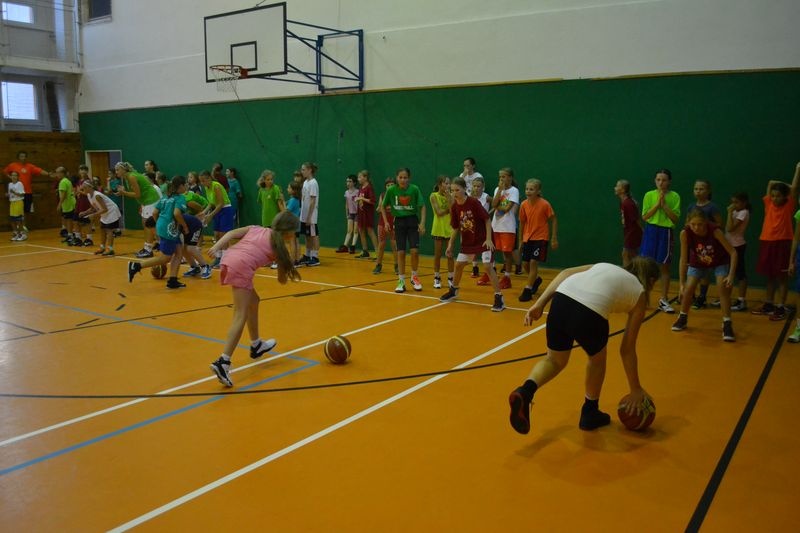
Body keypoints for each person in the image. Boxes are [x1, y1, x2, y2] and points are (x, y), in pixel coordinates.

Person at [508, 256, 660, 435]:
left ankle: (525, 391)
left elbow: (565, 273)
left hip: (561, 300)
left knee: (554, 360)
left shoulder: (604, 265)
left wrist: (540, 303)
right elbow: (627, 349)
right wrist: (635, 389)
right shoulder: (640, 293)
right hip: (589, 310)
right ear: (651, 280)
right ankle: (590, 412)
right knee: (597, 362)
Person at [208, 210, 302, 387]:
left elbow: (231, 233)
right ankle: (223, 362)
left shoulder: (257, 228)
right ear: (290, 234)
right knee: (240, 314)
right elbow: (282, 280)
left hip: (229, 258)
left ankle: (256, 344)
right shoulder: (279, 249)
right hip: (241, 266)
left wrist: (217, 246)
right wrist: (287, 261)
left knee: (254, 300)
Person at [671, 209, 738, 341]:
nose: (696, 228)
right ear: (688, 223)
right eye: (693, 224)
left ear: (706, 223)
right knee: (688, 288)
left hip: (719, 261)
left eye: (700, 224)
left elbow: (733, 253)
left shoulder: (715, 231)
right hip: (698, 261)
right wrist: (681, 283)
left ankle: (727, 323)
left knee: (722, 287)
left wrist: (731, 275)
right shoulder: (685, 233)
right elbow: (683, 259)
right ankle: (682, 317)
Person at [439, 177, 505, 311]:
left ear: (465, 189)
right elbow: (455, 228)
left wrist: (489, 239)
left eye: (457, 190)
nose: (454, 193)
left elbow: (487, 219)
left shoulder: (473, 202)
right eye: (452, 190)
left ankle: (499, 297)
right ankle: (454, 290)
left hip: (483, 239)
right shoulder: (455, 207)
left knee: (487, 266)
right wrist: (450, 244)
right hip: (469, 241)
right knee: (458, 265)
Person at [752, 162, 800, 320]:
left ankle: (780, 306)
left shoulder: (789, 205)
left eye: (778, 195)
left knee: (782, 277)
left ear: (785, 196)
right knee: (770, 276)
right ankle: (769, 303)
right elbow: (771, 182)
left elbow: (794, 189)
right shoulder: (769, 204)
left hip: (783, 242)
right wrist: (779, 188)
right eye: (772, 195)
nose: (774, 198)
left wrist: (798, 169)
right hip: (767, 241)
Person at [127, 175, 190, 289]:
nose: (186, 186)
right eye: (185, 184)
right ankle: (136, 265)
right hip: (170, 229)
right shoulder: (180, 198)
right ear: (180, 186)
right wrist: (185, 226)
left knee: (178, 253)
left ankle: (172, 280)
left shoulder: (165, 197)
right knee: (165, 258)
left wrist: (160, 224)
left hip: (163, 226)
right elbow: (176, 213)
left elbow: (155, 213)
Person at [640, 168, 681, 313]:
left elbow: (675, 219)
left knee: (664, 267)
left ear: (669, 181)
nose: (661, 183)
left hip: (666, 233)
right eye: (658, 180)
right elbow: (645, 216)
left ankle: (663, 300)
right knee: (646, 266)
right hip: (651, 231)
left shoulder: (675, 196)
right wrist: (657, 205)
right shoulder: (649, 195)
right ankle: (643, 297)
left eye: (664, 180)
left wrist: (664, 206)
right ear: (655, 181)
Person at [381, 167, 426, 292]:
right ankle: (401, 281)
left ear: (409, 178)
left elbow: (422, 206)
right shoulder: (391, 190)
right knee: (400, 252)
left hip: (412, 221)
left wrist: (422, 223)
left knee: (414, 251)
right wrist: (386, 222)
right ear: (397, 178)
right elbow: (383, 206)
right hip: (399, 222)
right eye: (400, 177)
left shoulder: (414, 189)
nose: (402, 180)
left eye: (405, 177)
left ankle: (414, 277)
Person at [684, 179, 724, 309]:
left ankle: (702, 296)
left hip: (707, 245)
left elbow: (719, 224)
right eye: (696, 189)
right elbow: (687, 222)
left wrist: (705, 225)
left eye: (701, 189)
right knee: (693, 269)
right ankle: (690, 294)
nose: (698, 191)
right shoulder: (691, 207)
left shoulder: (712, 207)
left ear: (708, 191)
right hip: (694, 244)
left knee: (704, 271)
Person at [517, 179, 558, 302]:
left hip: (541, 238)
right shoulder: (523, 205)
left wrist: (554, 237)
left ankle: (528, 290)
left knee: (533, 262)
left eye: (531, 189)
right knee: (525, 264)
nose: (528, 191)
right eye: (527, 189)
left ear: (538, 191)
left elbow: (554, 219)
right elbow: (522, 222)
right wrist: (520, 240)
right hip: (528, 238)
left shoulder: (545, 204)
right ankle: (536, 280)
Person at [114, 161, 163, 258]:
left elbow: (137, 194)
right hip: (146, 201)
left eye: (117, 170)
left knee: (149, 225)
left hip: (151, 200)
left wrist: (123, 193)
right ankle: (148, 247)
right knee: (146, 224)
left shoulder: (131, 177)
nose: (116, 172)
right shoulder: (128, 177)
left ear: (123, 170)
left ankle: (150, 249)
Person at [715, 192, 750, 311]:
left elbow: (730, 228)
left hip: (737, 246)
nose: (733, 205)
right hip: (728, 245)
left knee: (740, 273)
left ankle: (741, 301)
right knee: (726, 272)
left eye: (736, 202)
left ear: (744, 203)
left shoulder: (744, 212)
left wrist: (729, 213)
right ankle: (725, 297)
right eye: (732, 202)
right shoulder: (735, 212)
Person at [3, 150, 49, 233]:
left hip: (28, 192)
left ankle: (23, 226)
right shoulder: (13, 165)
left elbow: (40, 171)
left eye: (24, 156)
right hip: (17, 195)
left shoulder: (30, 166)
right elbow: (5, 171)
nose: (23, 158)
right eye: (21, 156)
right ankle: (18, 228)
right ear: (18, 157)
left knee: (26, 211)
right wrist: (11, 178)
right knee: (17, 210)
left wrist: (49, 174)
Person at [488, 167, 519, 290]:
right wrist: (499, 191)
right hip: (496, 225)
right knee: (492, 250)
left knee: (507, 253)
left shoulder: (514, 191)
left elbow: (506, 209)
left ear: (510, 177)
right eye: (500, 177)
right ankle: (490, 272)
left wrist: (497, 206)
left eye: (504, 177)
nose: (501, 179)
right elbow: (493, 204)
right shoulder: (498, 189)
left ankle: (507, 277)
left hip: (507, 226)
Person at [199, 169, 235, 268]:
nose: (202, 183)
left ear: (209, 179)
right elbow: (211, 203)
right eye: (201, 181)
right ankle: (218, 257)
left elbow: (221, 203)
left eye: (203, 181)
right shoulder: (207, 187)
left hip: (225, 209)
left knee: (223, 235)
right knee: (216, 234)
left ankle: (225, 258)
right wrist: (204, 212)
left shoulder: (216, 186)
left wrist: (210, 215)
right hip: (217, 210)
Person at [78, 180, 121, 256]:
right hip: (105, 212)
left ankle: (110, 249)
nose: (83, 189)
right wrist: (85, 212)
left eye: (85, 187)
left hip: (111, 211)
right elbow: (93, 208)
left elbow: (105, 209)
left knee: (109, 230)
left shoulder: (97, 195)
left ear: (90, 187)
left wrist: (93, 215)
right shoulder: (89, 195)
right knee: (102, 229)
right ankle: (102, 247)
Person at [429, 175, 454, 289]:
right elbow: (438, 213)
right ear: (440, 185)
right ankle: (437, 277)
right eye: (446, 183)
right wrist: (449, 208)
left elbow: (453, 212)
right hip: (438, 229)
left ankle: (451, 278)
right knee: (437, 255)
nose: (448, 185)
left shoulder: (451, 196)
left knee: (450, 255)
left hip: (449, 229)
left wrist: (449, 198)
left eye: (449, 183)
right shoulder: (433, 196)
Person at [614, 179, 643, 268]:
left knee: (626, 254)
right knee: (633, 256)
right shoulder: (623, 202)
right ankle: (635, 273)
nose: (615, 188)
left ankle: (627, 273)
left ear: (623, 190)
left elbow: (637, 220)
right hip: (628, 233)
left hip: (633, 233)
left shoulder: (628, 204)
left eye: (617, 186)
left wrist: (643, 231)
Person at [373, 176, 398, 275]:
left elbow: (398, 209)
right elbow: (379, 208)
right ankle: (378, 265)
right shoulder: (383, 195)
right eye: (388, 185)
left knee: (394, 245)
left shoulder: (397, 195)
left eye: (392, 185)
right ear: (385, 187)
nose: (390, 186)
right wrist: (381, 208)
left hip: (394, 223)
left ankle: (397, 265)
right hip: (382, 223)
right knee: (381, 244)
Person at [298, 162, 321, 266]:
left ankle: (315, 257)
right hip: (304, 215)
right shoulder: (305, 182)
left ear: (309, 170)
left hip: (311, 216)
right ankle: (307, 255)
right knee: (307, 235)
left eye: (303, 169)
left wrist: (309, 217)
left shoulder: (313, 183)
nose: (302, 171)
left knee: (313, 235)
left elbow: (312, 201)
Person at [470, 175, 492, 278]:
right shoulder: (470, 197)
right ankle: (475, 267)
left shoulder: (486, 197)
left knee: (486, 248)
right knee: (473, 248)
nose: (476, 188)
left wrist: (488, 213)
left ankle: (491, 268)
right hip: (473, 226)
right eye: (474, 186)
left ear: (483, 187)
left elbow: (496, 203)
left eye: (478, 186)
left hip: (484, 226)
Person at [355, 170, 379, 257]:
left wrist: (362, 199)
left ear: (365, 178)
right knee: (361, 230)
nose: (358, 179)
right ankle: (365, 251)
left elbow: (373, 201)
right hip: (361, 213)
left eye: (360, 177)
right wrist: (358, 200)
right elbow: (360, 199)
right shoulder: (361, 187)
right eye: (358, 177)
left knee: (370, 231)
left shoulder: (369, 188)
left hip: (368, 213)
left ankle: (378, 252)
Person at [337, 175, 360, 254]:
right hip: (350, 213)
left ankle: (353, 246)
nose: (348, 183)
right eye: (347, 181)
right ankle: (345, 246)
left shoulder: (358, 192)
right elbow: (347, 204)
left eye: (350, 181)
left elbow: (360, 202)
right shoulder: (346, 192)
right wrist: (347, 213)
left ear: (354, 183)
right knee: (349, 230)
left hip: (357, 213)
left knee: (355, 231)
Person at [55, 167, 78, 246]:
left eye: (58, 173)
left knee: (69, 220)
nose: (56, 174)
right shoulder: (67, 181)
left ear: (62, 173)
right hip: (70, 203)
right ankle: (70, 235)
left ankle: (71, 236)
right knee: (68, 220)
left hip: (68, 204)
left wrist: (59, 204)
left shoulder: (63, 182)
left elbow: (63, 195)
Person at [7, 171, 26, 241]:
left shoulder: (19, 184)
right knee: (12, 220)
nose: (13, 177)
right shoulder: (10, 184)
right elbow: (10, 194)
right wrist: (8, 195)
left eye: (15, 175)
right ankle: (16, 233)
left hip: (18, 202)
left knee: (18, 220)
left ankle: (22, 234)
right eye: (12, 175)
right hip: (12, 203)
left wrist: (14, 192)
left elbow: (22, 194)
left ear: (18, 177)